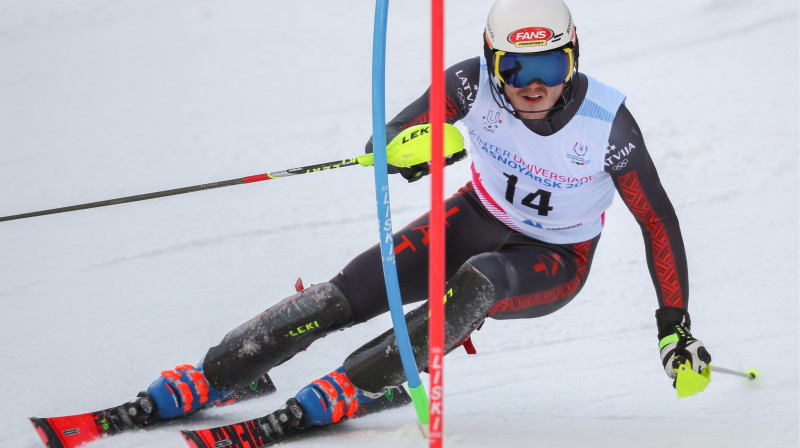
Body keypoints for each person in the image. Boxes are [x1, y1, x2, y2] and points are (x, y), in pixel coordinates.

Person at [142, 0, 712, 434]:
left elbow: (658, 223)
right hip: (474, 216)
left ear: (574, 56)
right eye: (514, 67)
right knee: (352, 290)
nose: (534, 84)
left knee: (477, 283)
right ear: (493, 61)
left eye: (550, 64)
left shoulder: (607, 126)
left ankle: (360, 383)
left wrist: (674, 329)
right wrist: (407, 147)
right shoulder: (469, 83)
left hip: (556, 258)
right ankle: (217, 372)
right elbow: (384, 137)